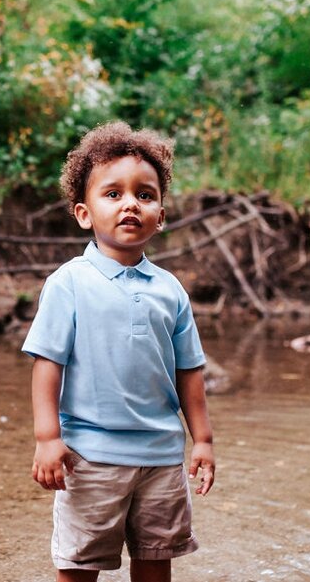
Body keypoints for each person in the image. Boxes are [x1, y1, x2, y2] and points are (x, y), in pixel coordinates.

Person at [23, 121, 215, 582]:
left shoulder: (170, 290)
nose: (131, 203)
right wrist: (48, 438)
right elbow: (47, 364)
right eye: (114, 194)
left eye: (145, 195)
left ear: (161, 216)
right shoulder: (68, 284)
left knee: (155, 558)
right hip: (90, 457)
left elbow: (189, 371)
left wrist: (203, 440)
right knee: (79, 563)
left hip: (161, 457)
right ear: (84, 213)